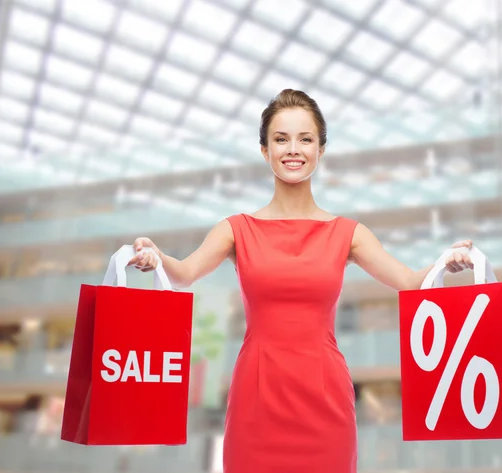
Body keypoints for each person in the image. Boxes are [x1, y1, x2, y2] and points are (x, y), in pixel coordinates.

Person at [128, 89, 474, 473]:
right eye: (281, 139)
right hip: (256, 398)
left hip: (324, 397)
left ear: (320, 150)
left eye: (305, 139)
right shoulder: (236, 229)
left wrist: (449, 260)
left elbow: (409, 282)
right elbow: (184, 273)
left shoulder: (348, 233)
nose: (293, 149)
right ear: (264, 150)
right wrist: (158, 258)